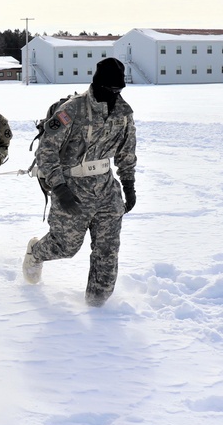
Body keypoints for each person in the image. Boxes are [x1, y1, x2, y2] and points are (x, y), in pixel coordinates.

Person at [22, 57, 137, 307]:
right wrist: (59, 187)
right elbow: (46, 151)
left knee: (107, 252)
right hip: (72, 188)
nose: (114, 95)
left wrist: (129, 185)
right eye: (110, 89)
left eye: (118, 90)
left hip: (107, 190)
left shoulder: (123, 112)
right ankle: (35, 252)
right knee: (65, 246)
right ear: (97, 85)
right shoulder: (71, 110)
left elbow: (127, 152)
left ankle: (97, 307)